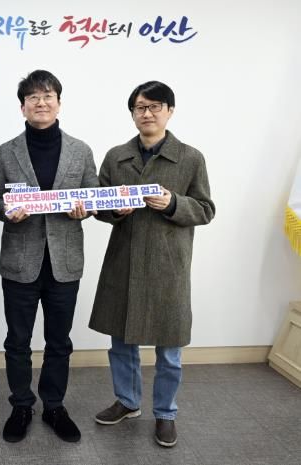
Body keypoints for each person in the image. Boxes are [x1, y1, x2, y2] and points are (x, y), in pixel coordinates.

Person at [89, 81, 215, 448]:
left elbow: (205, 209)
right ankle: (127, 402)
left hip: (167, 266)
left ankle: (166, 413)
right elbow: (98, 206)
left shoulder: (190, 158)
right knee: (121, 342)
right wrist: (114, 209)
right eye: (140, 108)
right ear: (132, 114)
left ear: (169, 111)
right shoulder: (116, 157)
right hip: (124, 262)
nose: (147, 113)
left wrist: (173, 203)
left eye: (155, 106)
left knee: (170, 350)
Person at [0, 70, 98, 443]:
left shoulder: (81, 151)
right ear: (23, 107)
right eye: (33, 97)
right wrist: (6, 210)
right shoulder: (5, 152)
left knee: (59, 341)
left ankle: (54, 405)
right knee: (17, 341)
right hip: (20, 261)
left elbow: (93, 195)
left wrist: (85, 208)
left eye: (48, 96)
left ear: (59, 103)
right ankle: (21, 405)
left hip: (65, 261)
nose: (41, 102)